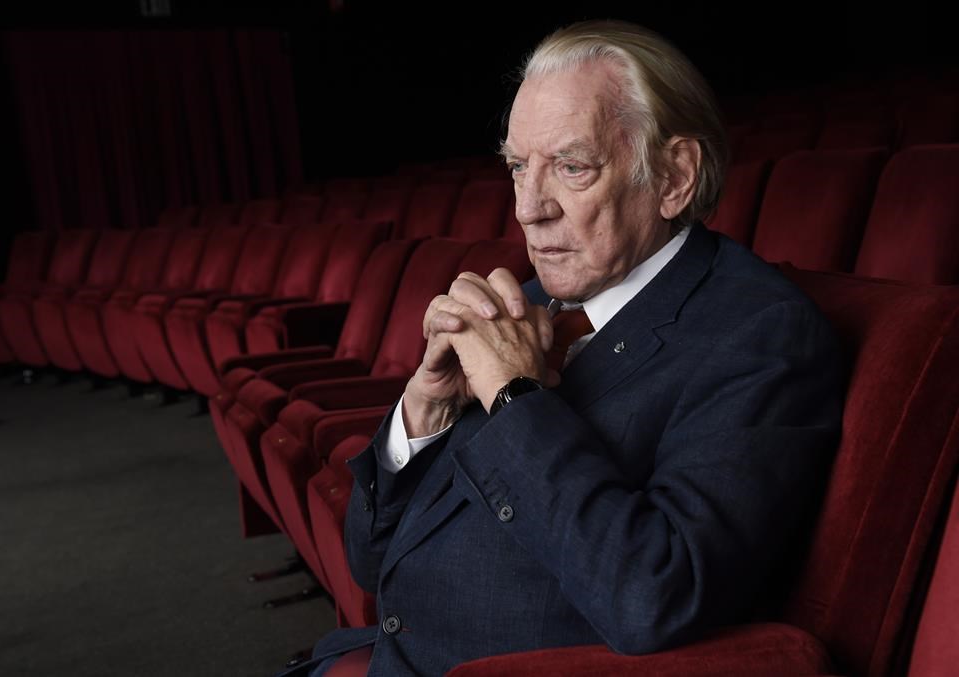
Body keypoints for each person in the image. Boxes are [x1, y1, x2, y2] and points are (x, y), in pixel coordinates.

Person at [283, 19, 843, 676]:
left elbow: (653, 596)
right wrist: (420, 418)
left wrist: (516, 397)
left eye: (571, 167)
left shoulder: (760, 334)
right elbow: (369, 561)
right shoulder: (524, 302)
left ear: (674, 176)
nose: (527, 207)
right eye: (519, 166)